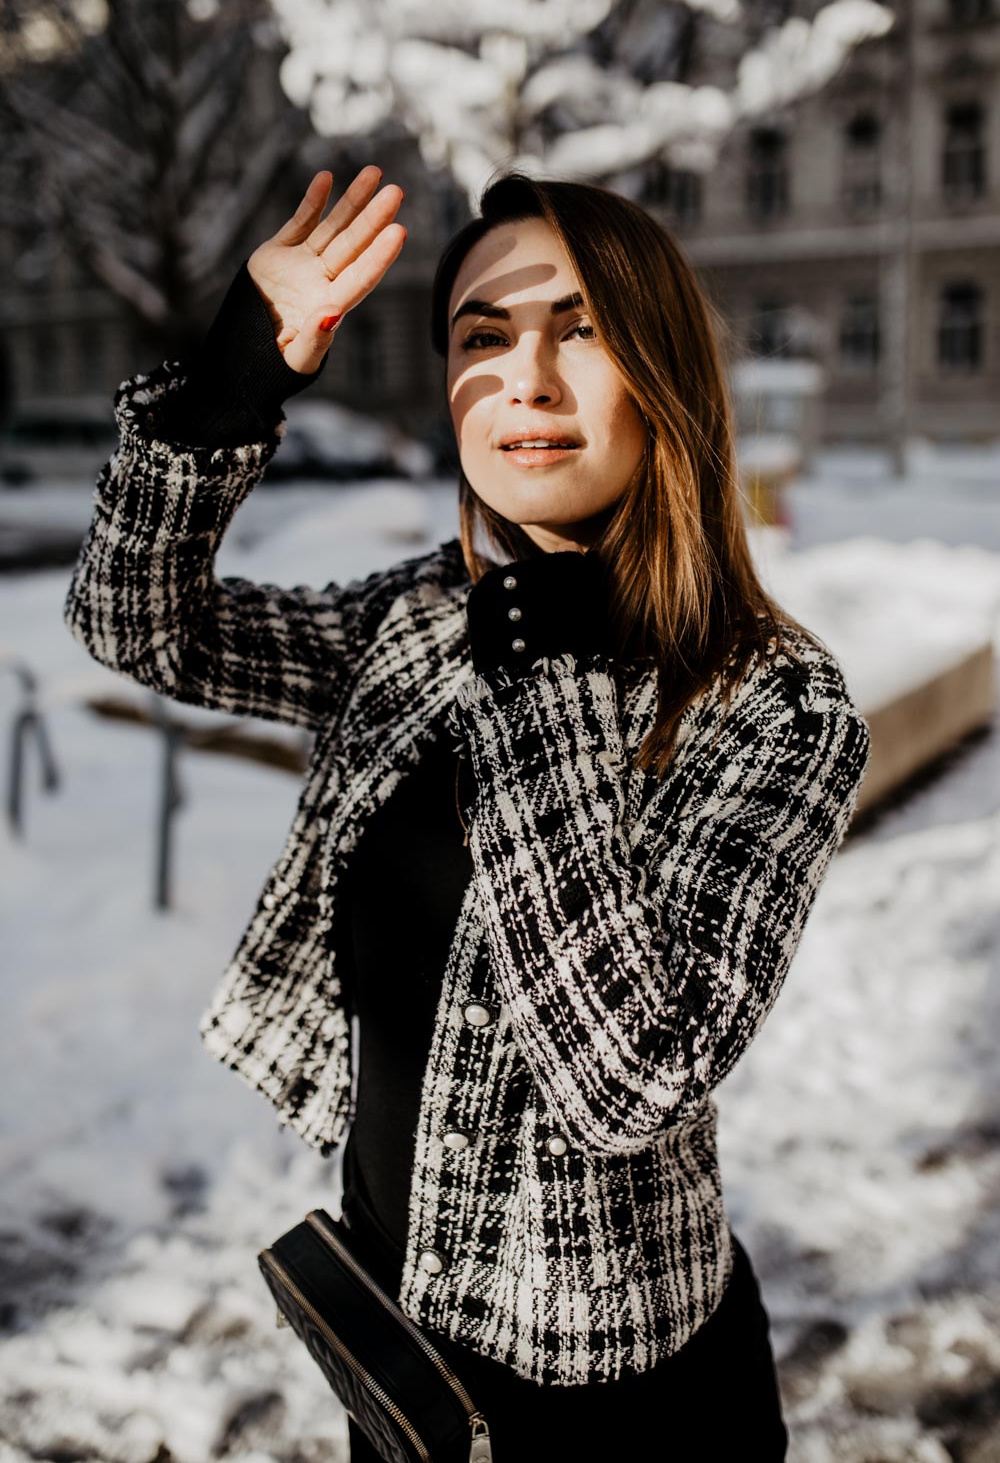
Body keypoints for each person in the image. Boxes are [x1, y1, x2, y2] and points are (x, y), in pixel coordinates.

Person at [65, 165, 872, 1459]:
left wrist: (543, 667)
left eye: (584, 329)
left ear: (662, 371)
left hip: (613, 1399)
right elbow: (137, 624)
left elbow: (630, 1082)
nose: (528, 381)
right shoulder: (426, 619)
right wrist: (230, 382)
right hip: (397, 1328)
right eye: (483, 338)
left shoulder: (776, 708)